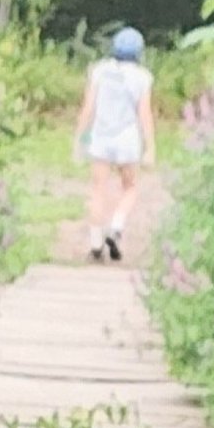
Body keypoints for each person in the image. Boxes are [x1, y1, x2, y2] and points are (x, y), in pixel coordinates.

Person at [73, 26, 155, 262]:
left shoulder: (99, 71)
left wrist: (79, 137)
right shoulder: (142, 77)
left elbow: (88, 107)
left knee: (98, 190)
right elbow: (144, 114)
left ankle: (96, 243)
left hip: (101, 136)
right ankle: (116, 227)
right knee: (130, 187)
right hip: (127, 139)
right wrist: (150, 147)